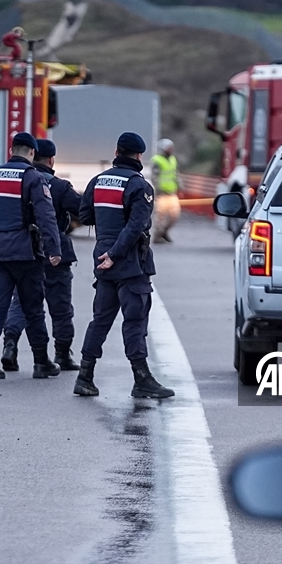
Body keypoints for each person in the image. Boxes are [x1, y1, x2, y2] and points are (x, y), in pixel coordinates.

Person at [74, 131, 175, 399]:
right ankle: (142, 379)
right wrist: (116, 253)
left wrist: (107, 242)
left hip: (102, 261)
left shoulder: (98, 181)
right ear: (139, 156)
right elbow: (136, 226)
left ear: (116, 153)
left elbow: (85, 215)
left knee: (100, 320)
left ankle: (84, 376)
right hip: (129, 264)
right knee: (135, 321)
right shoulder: (139, 186)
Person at [0, 132, 63, 380]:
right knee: (33, 308)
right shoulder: (33, 177)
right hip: (24, 253)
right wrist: (54, 249)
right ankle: (41, 361)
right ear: (32, 153)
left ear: (11, 150)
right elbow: (46, 216)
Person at [1, 138, 83, 372]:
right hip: (55, 252)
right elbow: (83, 210)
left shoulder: (19, 182)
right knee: (61, 306)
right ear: (51, 160)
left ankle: (10, 345)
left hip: (24, 249)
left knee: (21, 302)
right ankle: (62, 353)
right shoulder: (59, 186)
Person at [150, 138, 180, 243]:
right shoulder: (157, 160)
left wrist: (180, 186)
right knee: (160, 217)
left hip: (172, 193)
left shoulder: (173, 159)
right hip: (161, 194)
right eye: (169, 148)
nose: (171, 149)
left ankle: (164, 232)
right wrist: (158, 189)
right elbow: (154, 177)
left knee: (174, 215)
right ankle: (157, 236)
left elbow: (175, 174)